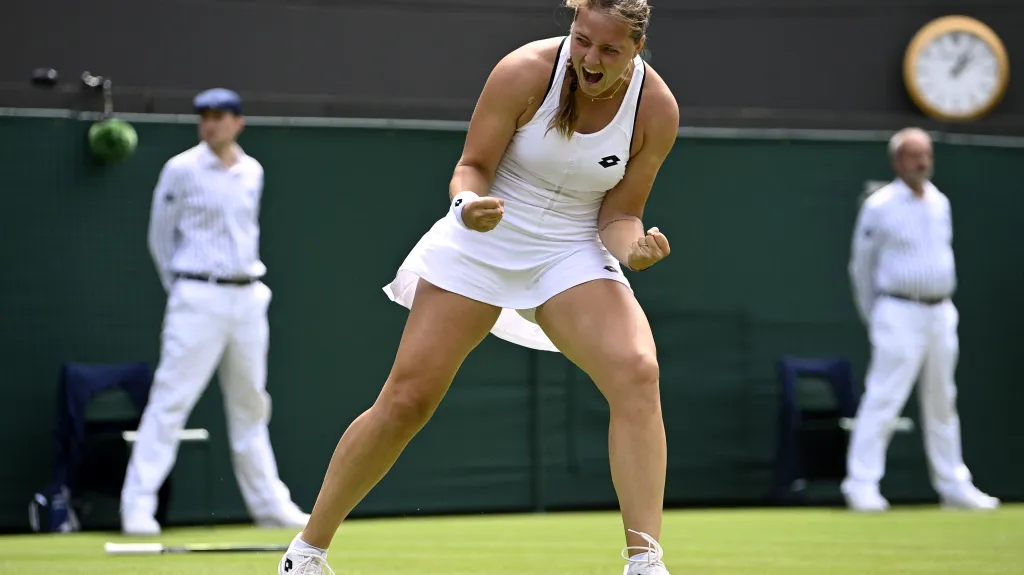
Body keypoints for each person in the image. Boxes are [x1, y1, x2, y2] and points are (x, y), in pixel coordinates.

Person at [277, 0, 679, 573]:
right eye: (582, 38)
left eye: (608, 49)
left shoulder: (656, 108)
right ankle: (306, 553)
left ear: (636, 49)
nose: (589, 58)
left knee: (638, 372)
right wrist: (467, 208)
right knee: (407, 401)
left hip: (568, 251)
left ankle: (645, 563)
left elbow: (618, 216)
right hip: (484, 236)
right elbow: (471, 167)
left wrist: (634, 251)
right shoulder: (523, 70)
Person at [121, 88, 310, 535]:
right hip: (196, 297)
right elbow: (159, 239)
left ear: (238, 123)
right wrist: (186, 289)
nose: (211, 123)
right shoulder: (180, 169)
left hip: (248, 299)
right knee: (170, 401)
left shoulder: (253, 171)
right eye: (204, 116)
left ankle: (269, 507)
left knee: (251, 404)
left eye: (220, 115)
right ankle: (137, 508)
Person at [842, 127, 1000, 513]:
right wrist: (876, 314)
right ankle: (861, 485)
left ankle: (953, 485)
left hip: (941, 312)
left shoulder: (940, 202)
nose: (923, 162)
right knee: (884, 397)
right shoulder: (879, 205)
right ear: (897, 161)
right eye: (915, 155)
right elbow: (860, 268)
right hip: (897, 311)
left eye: (927, 154)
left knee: (944, 400)